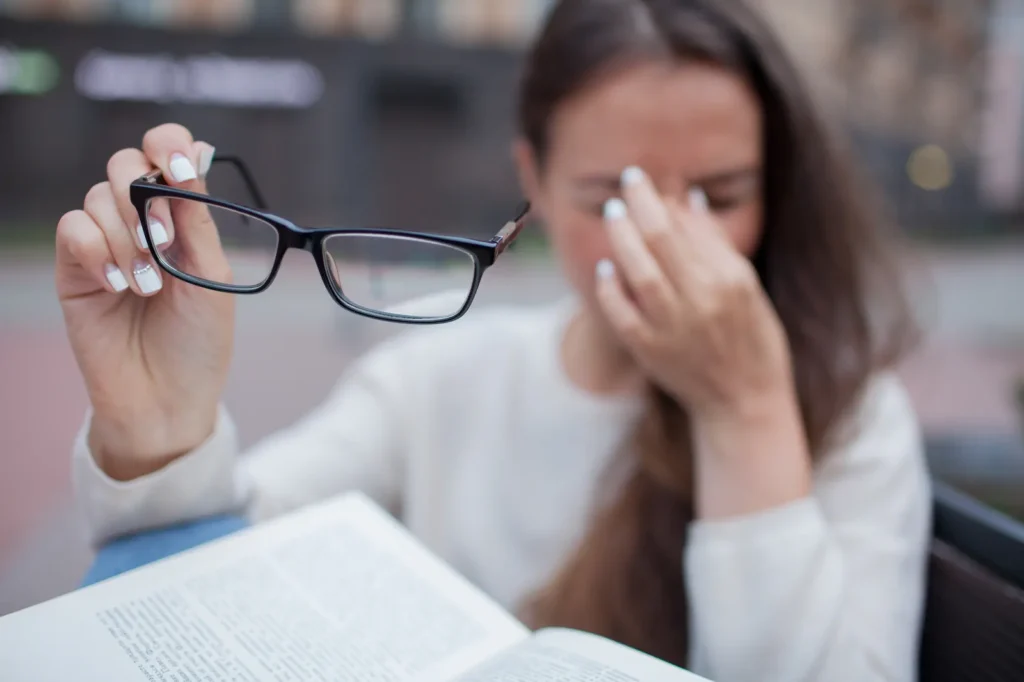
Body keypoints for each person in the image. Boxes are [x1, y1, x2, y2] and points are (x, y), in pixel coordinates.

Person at [55, 0, 932, 680]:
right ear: (534, 186)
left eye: (721, 194)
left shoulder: (848, 415)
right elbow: (219, 579)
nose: (666, 242)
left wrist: (745, 410)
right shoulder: (440, 377)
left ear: (778, 191)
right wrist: (160, 425)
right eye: (611, 202)